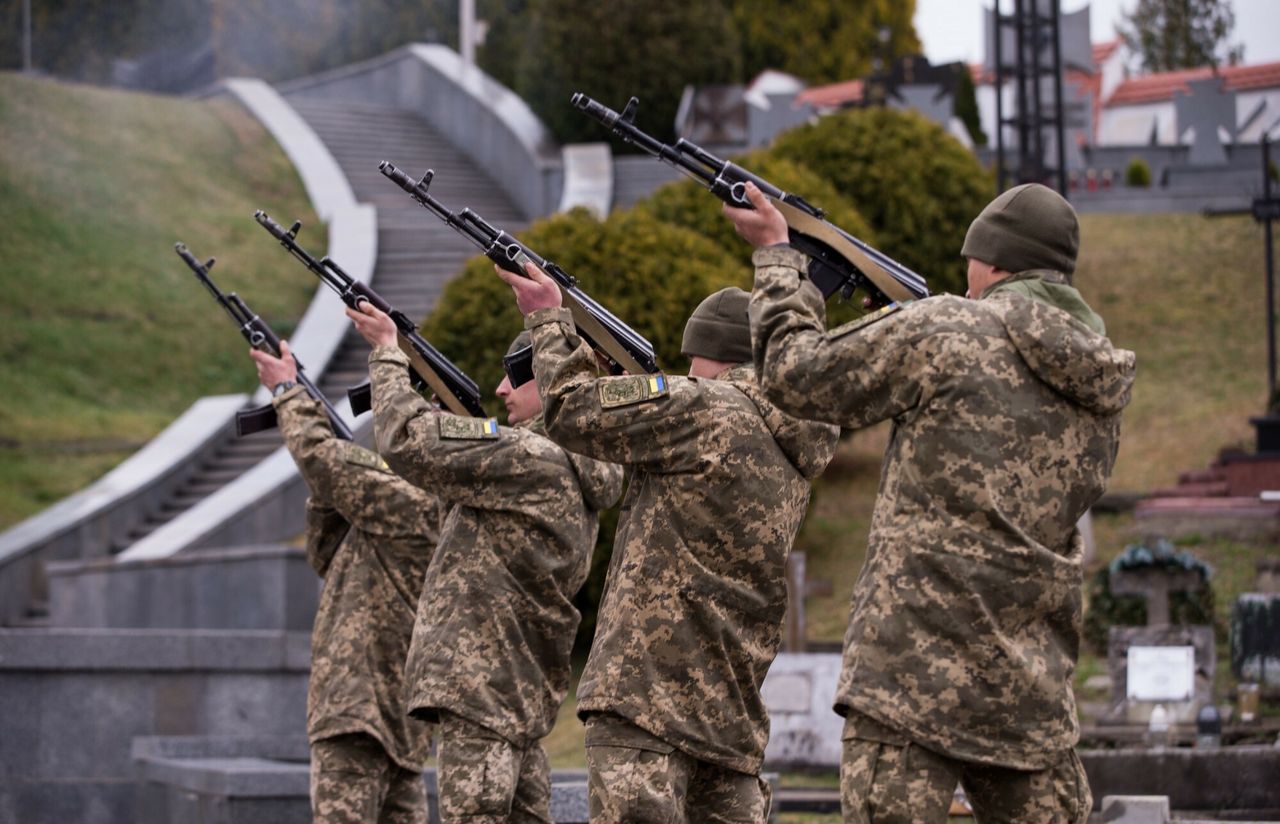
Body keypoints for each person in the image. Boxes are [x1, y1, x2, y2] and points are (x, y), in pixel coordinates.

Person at [725, 181, 1137, 823]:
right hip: (1027, 686)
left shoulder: (945, 327)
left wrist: (780, 258)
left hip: (908, 675)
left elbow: (792, 374)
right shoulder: (1099, 378)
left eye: (973, 258)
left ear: (995, 262)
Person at [495, 265, 839, 823]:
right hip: (730, 711)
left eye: (691, 357)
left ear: (714, 354)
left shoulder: (708, 408)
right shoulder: (793, 442)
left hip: (647, 697)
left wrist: (547, 317)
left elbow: (571, 406)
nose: (686, 370)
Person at [345, 307, 623, 824]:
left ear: (551, 381)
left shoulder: (533, 458)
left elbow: (406, 440)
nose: (500, 389)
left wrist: (386, 352)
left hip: (480, 691)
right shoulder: (578, 466)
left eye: (515, 376)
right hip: (517, 696)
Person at [251, 342, 441, 824]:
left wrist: (288, 391)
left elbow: (319, 456)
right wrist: (332, 494)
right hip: (401, 724)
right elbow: (327, 556)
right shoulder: (420, 506)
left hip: (357, 709)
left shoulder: (414, 503)